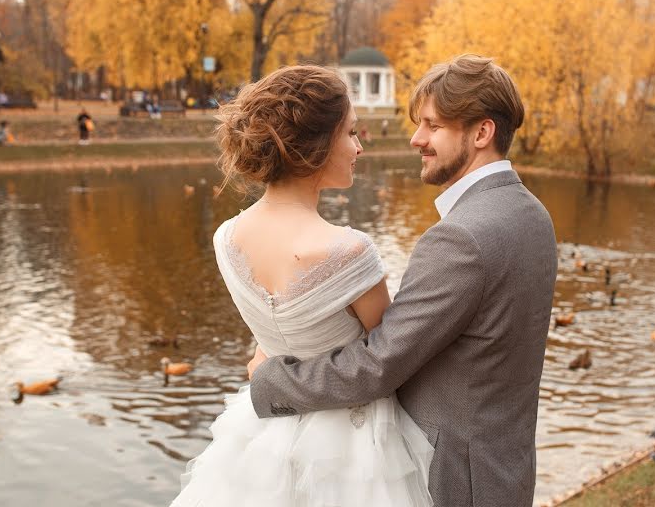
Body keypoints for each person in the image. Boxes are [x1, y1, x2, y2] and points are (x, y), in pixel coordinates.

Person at [248, 55, 558, 507]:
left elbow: (379, 365)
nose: (416, 139)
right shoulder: (533, 214)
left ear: (481, 133)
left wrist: (271, 381)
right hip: (503, 473)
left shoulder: (460, 238)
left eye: (432, 126)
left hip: (452, 482)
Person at [169, 65, 434, 506]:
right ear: (317, 145)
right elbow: (390, 361)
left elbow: (267, 342)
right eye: (350, 134)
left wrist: (262, 361)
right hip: (357, 452)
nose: (358, 146)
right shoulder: (349, 251)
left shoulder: (226, 239)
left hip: (265, 432)